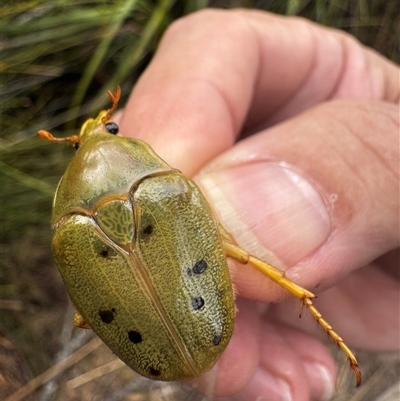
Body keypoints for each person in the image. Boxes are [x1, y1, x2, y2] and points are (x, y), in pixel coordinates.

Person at [117, 9, 399, 401]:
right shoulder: (165, 188)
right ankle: (302, 298)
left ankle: (304, 300)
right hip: (196, 327)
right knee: (238, 248)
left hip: (171, 344)